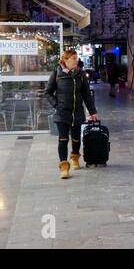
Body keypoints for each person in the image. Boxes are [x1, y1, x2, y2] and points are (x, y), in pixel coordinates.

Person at [45, 50, 97, 179]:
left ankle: (75, 157)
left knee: (76, 138)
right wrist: (57, 105)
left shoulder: (80, 75)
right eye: (73, 58)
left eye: (76, 58)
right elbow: (48, 93)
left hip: (77, 112)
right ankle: (63, 168)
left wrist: (92, 112)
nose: (76, 61)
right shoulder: (56, 74)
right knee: (63, 139)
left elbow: (86, 95)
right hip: (62, 113)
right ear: (66, 60)